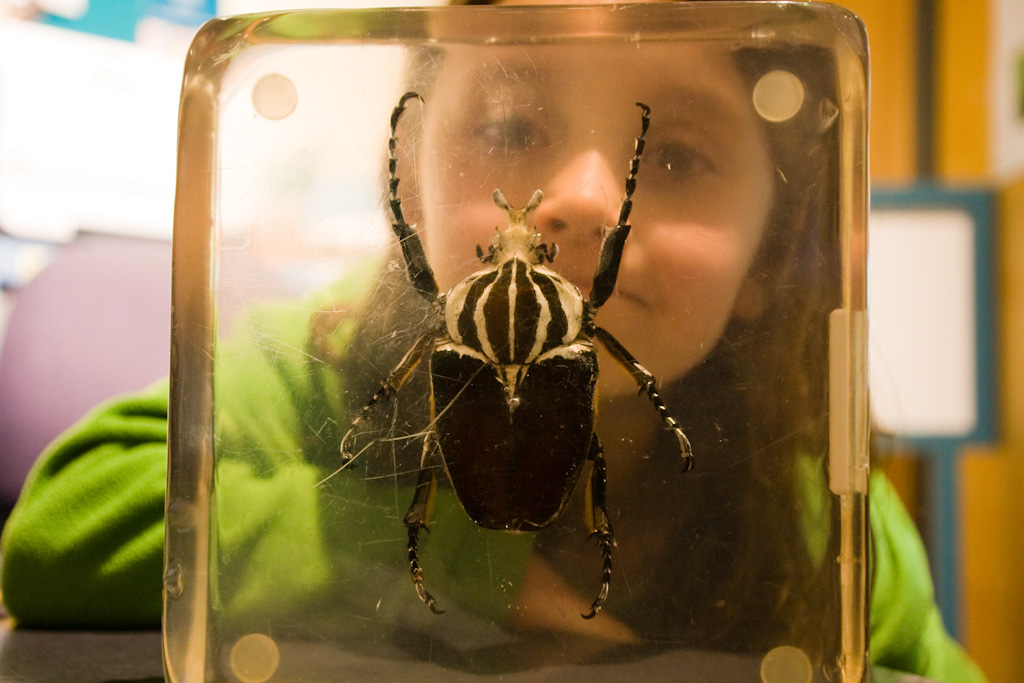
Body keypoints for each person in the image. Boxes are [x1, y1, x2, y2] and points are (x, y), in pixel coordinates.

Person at [0, 1, 987, 681]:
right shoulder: (304, 358)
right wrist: (471, 570)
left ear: (769, 257)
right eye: (514, 127)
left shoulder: (815, 511)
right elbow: (57, 533)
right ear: (415, 197)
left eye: (677, 154)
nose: (585, 196)